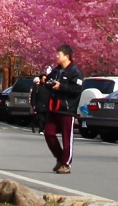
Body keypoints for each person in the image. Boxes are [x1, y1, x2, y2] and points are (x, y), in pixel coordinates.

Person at [36, 44, 84, 174]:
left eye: (59, 54)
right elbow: (49, 82)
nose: (56, 57)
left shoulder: (75, 72)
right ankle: (60, 158)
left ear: (66, 56)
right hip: (54, 108)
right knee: (48, 133)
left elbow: (77, 89)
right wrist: (43, 80)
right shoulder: (56, 71)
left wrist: (61, 86)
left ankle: (66, 164)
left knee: (67, 138)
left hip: (67, 110)